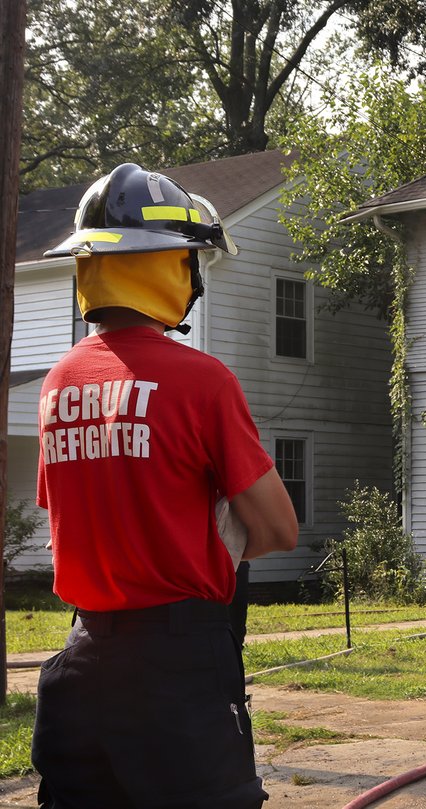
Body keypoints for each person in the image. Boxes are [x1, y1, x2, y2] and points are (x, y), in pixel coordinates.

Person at [32, 163, 299, 808]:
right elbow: (280, 530)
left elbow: (73, 517)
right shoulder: (203, 381)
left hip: (82, 658)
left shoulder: (58, 383)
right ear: (168, 267)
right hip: (177, 665)